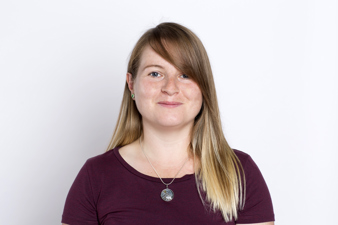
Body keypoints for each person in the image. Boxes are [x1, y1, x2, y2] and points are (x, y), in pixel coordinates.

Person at [61, 22, 274, 225]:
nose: (170, 88)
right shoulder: (95, 176)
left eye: (185, 74)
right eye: (155, 73)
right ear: (131, 84)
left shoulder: (239, 173)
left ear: (204, 87)